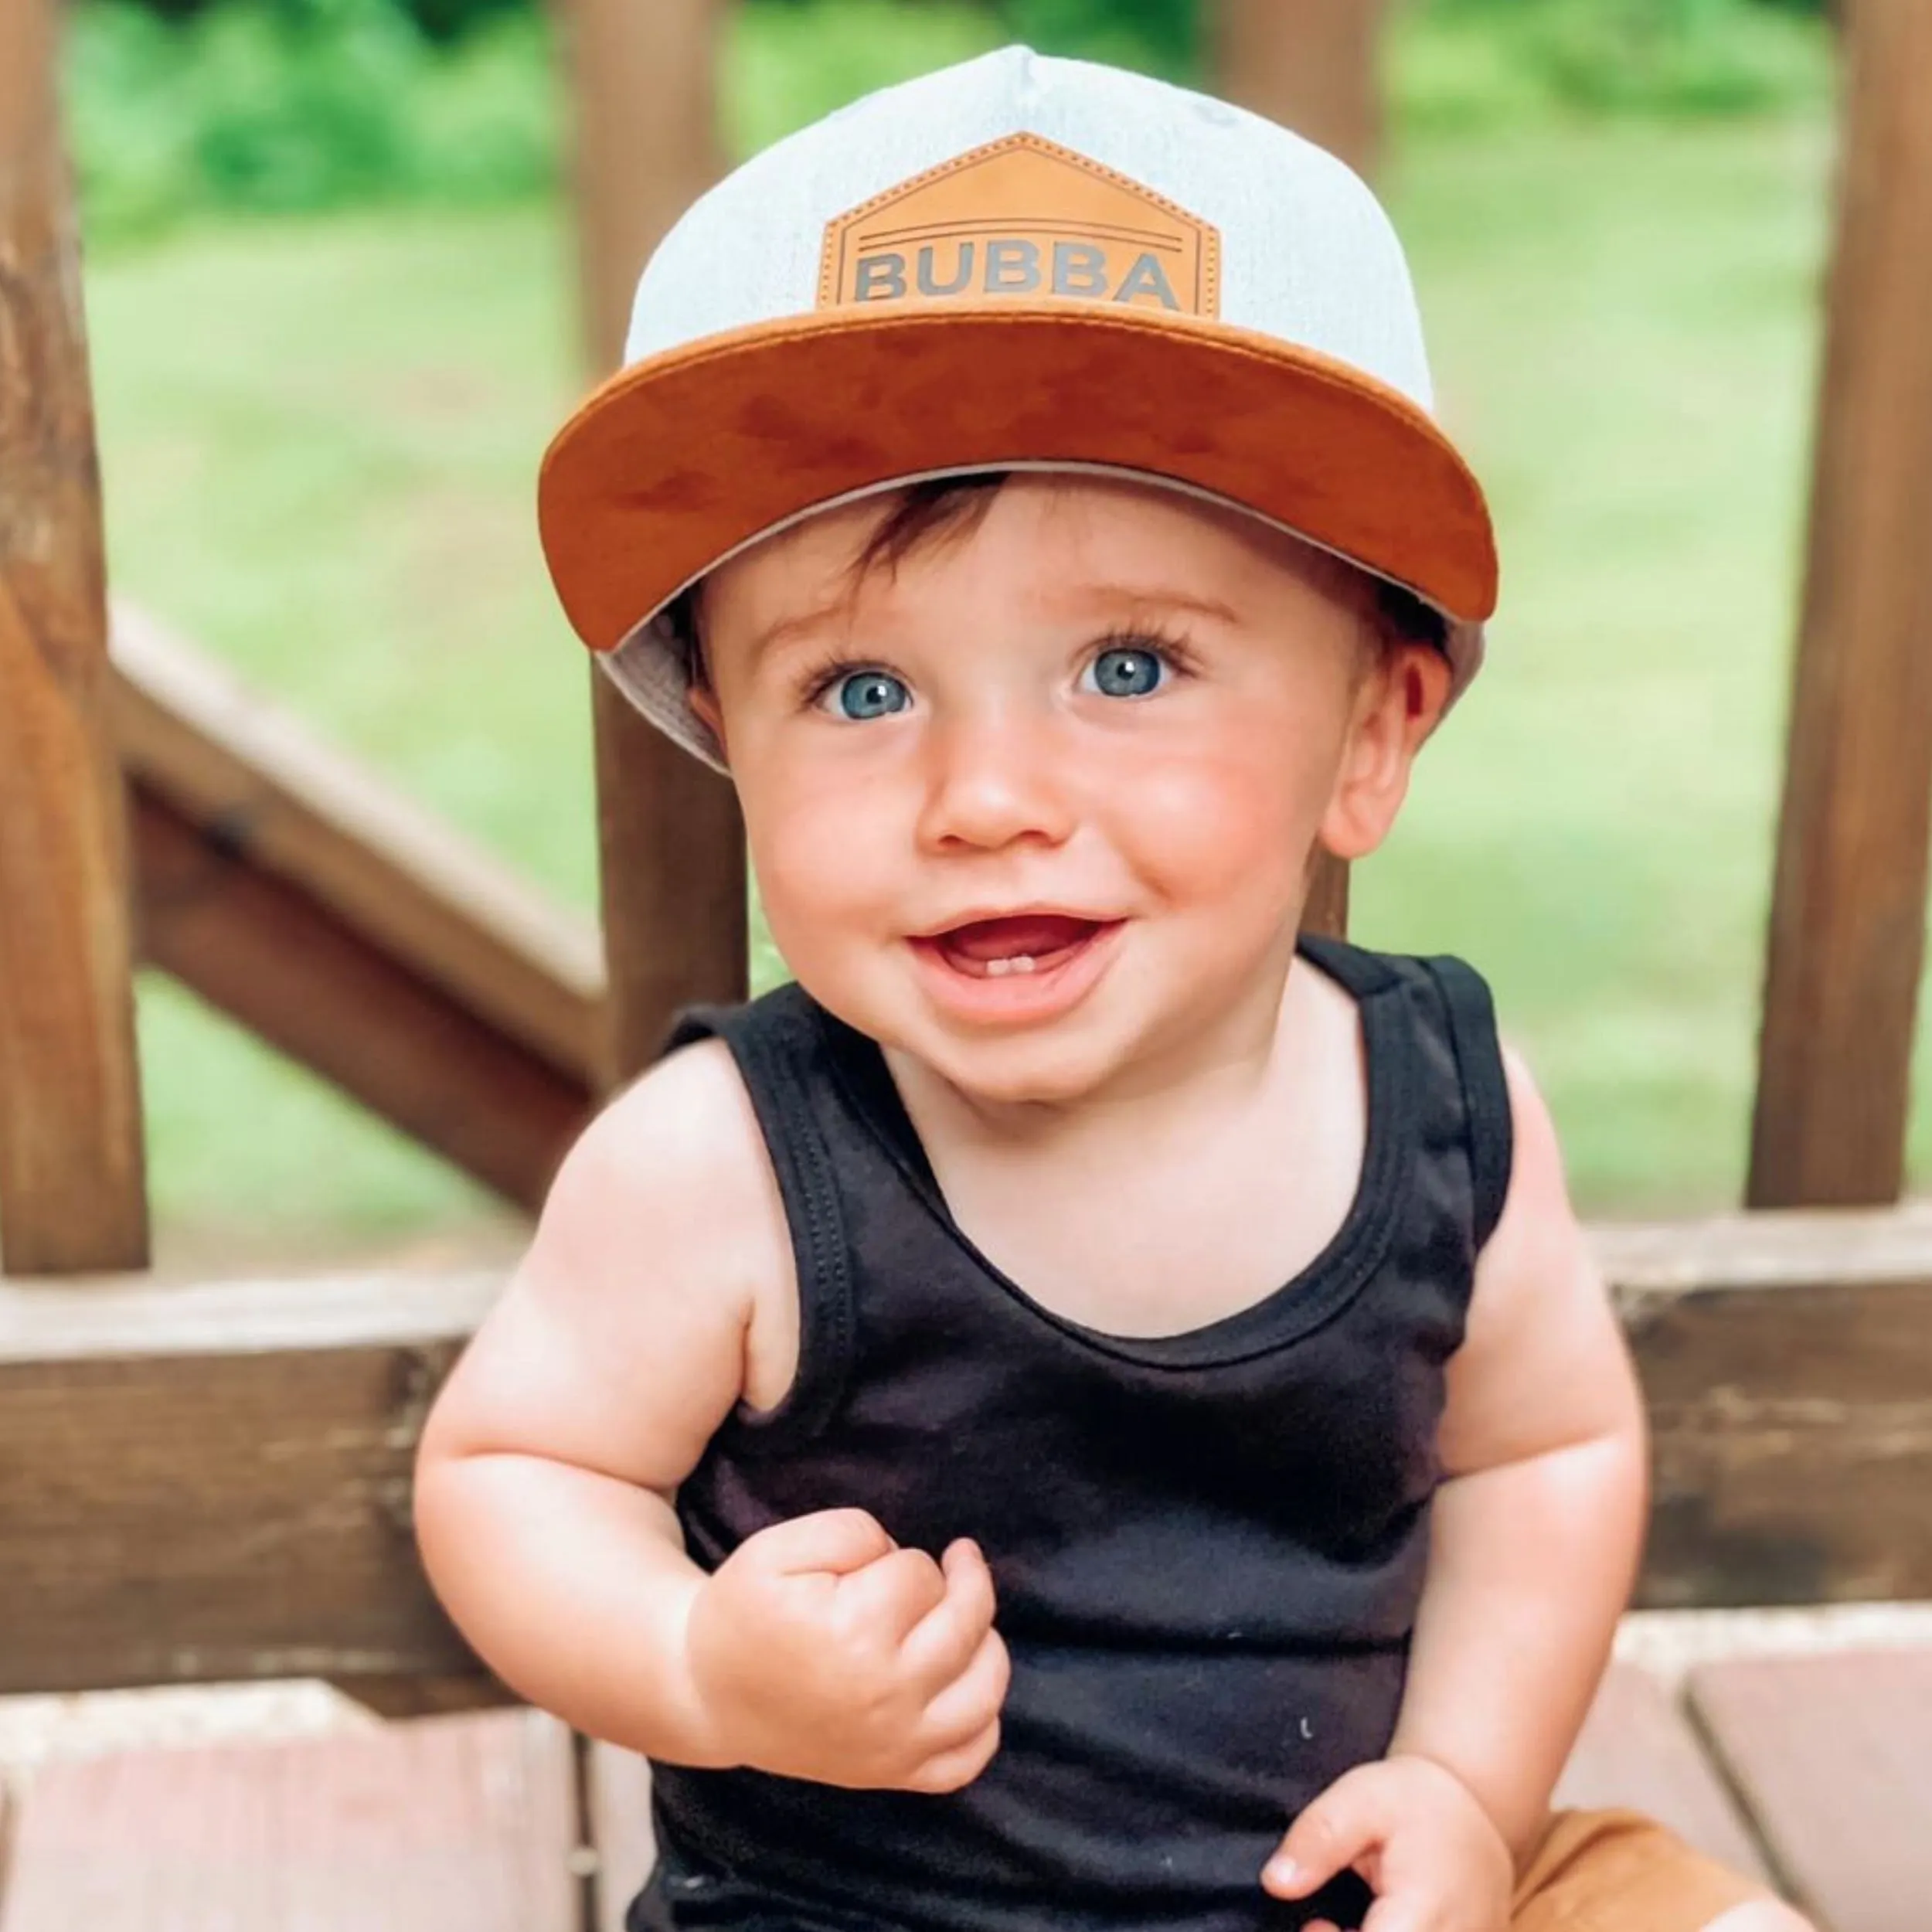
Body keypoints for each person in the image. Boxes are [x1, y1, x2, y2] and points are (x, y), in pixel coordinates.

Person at [413, 47, 1805, 1932]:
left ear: (1368, 732)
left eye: (1130, 668)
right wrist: (696, 1663)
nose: (985, 799)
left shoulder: (1437, 1109)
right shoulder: (726, 1166)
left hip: (1351, 1883)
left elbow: (1542, 1450)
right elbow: (515, 1467)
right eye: (861, 690)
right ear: (724, 734)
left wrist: (1467, 1792)